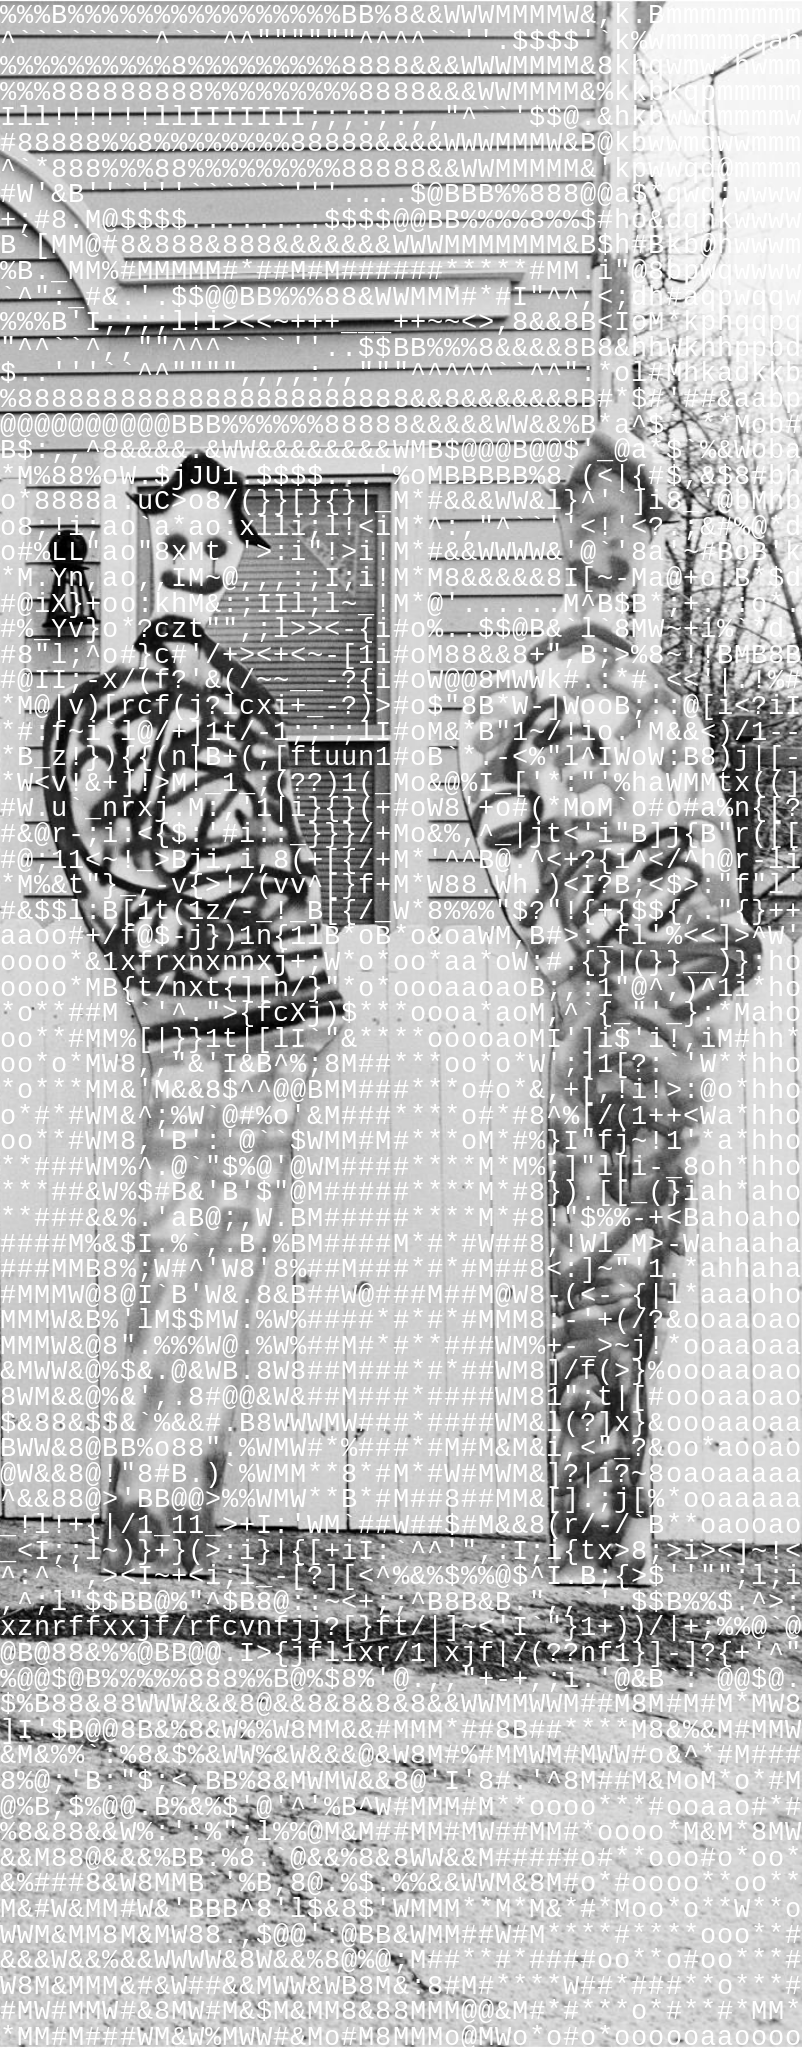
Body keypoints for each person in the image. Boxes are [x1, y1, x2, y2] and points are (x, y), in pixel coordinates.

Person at [460, 423, 759, 1587]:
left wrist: (709, 941)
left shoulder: (669, 700)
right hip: (597, 1003)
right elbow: (502, 835)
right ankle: (585, 1512)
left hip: (673, 1007)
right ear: (560, 527)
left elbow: (711, 842)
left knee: (649, 1252)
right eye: (587, 518)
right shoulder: (519, 688)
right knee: (591, 1250)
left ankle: (624, 1511)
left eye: (625, 522)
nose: (608, 540)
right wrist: (565, 954)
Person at [44, 450, 346, 1579]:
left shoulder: (251, 704)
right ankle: (141, 1493)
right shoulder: (103, 704)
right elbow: (99, 854)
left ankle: (190, 1501)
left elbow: (282, 849)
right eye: (178, 542)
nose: (197, 564)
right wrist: (169, 945)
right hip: (183, 1008)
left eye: (217, 546)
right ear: (148, 546)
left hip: (280, 1008)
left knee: (234, 1261)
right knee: (174, 1248)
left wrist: (307, 975)